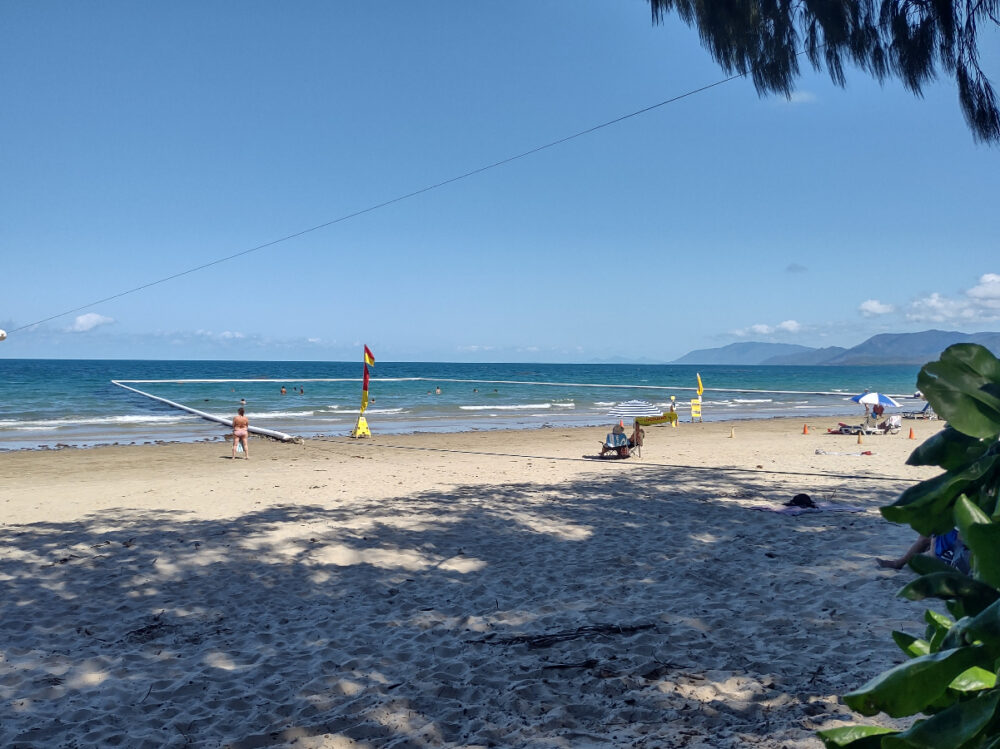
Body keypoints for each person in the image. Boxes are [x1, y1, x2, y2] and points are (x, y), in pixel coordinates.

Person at [876, 529, 970, 573]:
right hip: (959, 539)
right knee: (928, 535)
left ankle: (899, 563)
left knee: (929, 534)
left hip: (959, 542)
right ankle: (899, 563)